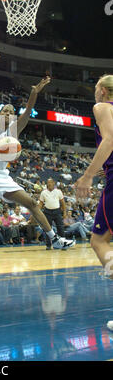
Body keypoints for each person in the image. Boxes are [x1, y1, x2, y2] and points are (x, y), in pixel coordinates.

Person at [0, 52, 75, 251]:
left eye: (11, 111)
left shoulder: (15, 130)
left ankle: (54, 239)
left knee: (31, 202)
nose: (8, 112)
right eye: (4, 109)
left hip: (1, 175)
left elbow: (28, 110)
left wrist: (35, 93)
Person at [73, 75, 113, 332]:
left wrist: (87, 175)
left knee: (98, 239)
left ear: (102, 91)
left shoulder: (102, 107)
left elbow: (110, 140)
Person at [39, 178, 68, 250]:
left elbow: (63, 203)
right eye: (48, 182)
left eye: (51, 182)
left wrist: (64, 212)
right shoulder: (43, 192)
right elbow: (40, 204)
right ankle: (48, 245)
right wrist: (37, 212)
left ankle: (63, 244)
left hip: (57, 211)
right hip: (47, 212)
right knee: (48, 229)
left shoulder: (58, 191)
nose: (49, 184)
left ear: (53, 183)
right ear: (47, 184)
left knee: (60, 228)